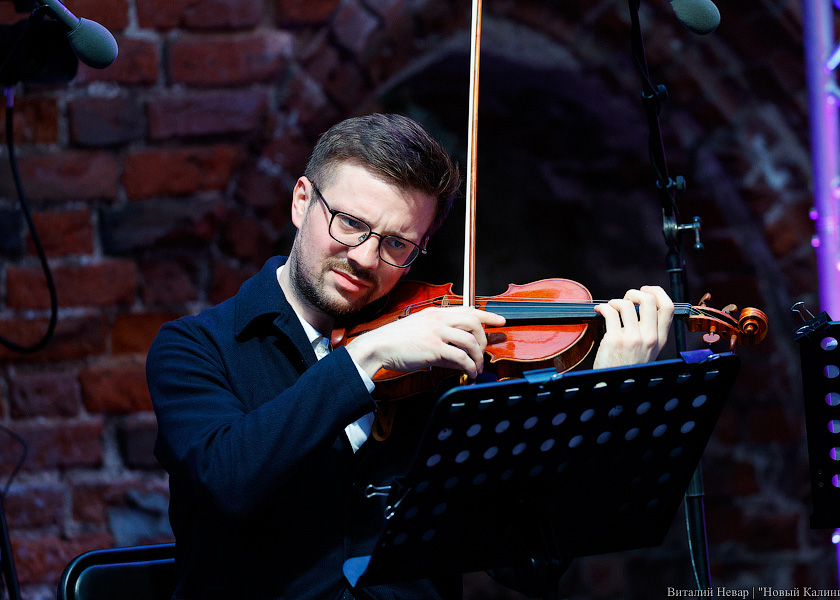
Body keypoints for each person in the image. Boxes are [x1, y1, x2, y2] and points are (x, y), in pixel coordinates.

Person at [147, 113, 675, 600]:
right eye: (350, 223)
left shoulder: (443, 366)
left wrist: (602, 398)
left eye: (397, 244)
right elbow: (227, 481)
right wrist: (365, 358)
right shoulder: (195, 348)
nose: (365, 258)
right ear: (302, 201)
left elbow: (530, 564)